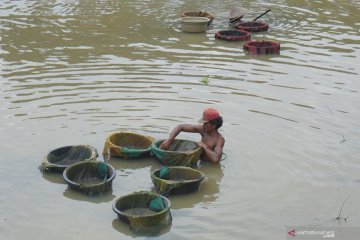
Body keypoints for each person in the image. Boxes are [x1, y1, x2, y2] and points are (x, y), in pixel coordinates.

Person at [160, 108, 225, 164]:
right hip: (199, 160)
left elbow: (216, 159)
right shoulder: (203, 130)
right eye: (203, 123)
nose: (203, 125)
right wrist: (169, 140)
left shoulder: (219, 139)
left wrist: (205, 147)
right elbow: (180, 127)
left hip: (209, 164)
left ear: (214, 125)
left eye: (206, 123)